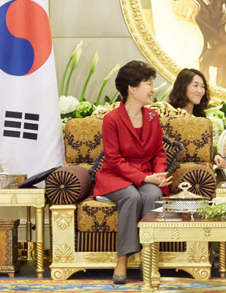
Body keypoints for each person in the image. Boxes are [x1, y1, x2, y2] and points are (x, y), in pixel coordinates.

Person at [93, 61, 173, 284]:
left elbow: (158, 152)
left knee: (152, 195)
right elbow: (113, 159)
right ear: (132, 87)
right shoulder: (111, 120)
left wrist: (158, 176)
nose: (152, 88)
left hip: (146, 175)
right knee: (131, 196)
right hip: (115, 176)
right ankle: (122, 260)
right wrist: (144, 178)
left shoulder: (152, 117)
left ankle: (149, 260)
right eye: (148, 83)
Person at [167, 67, 226, 170]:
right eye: (195, 85)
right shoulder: (169, 113)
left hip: (199, 172)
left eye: (202, 87)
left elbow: (204, 146)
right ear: (183, 87)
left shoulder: (200, 115)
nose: (200, 91)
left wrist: (215, 157)